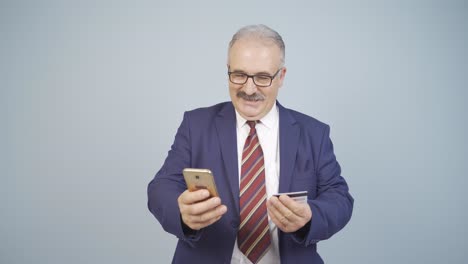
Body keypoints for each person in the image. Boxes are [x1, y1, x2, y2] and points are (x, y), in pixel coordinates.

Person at [147, 24, 353, 264]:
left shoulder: (314, 133)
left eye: (263, 77)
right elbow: (161, 187)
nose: (248, 88)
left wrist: (310, 217)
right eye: (239, 75)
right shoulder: (196, 125)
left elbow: (339, 198)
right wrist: (181, 212)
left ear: (281, 76)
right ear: (228, 70)